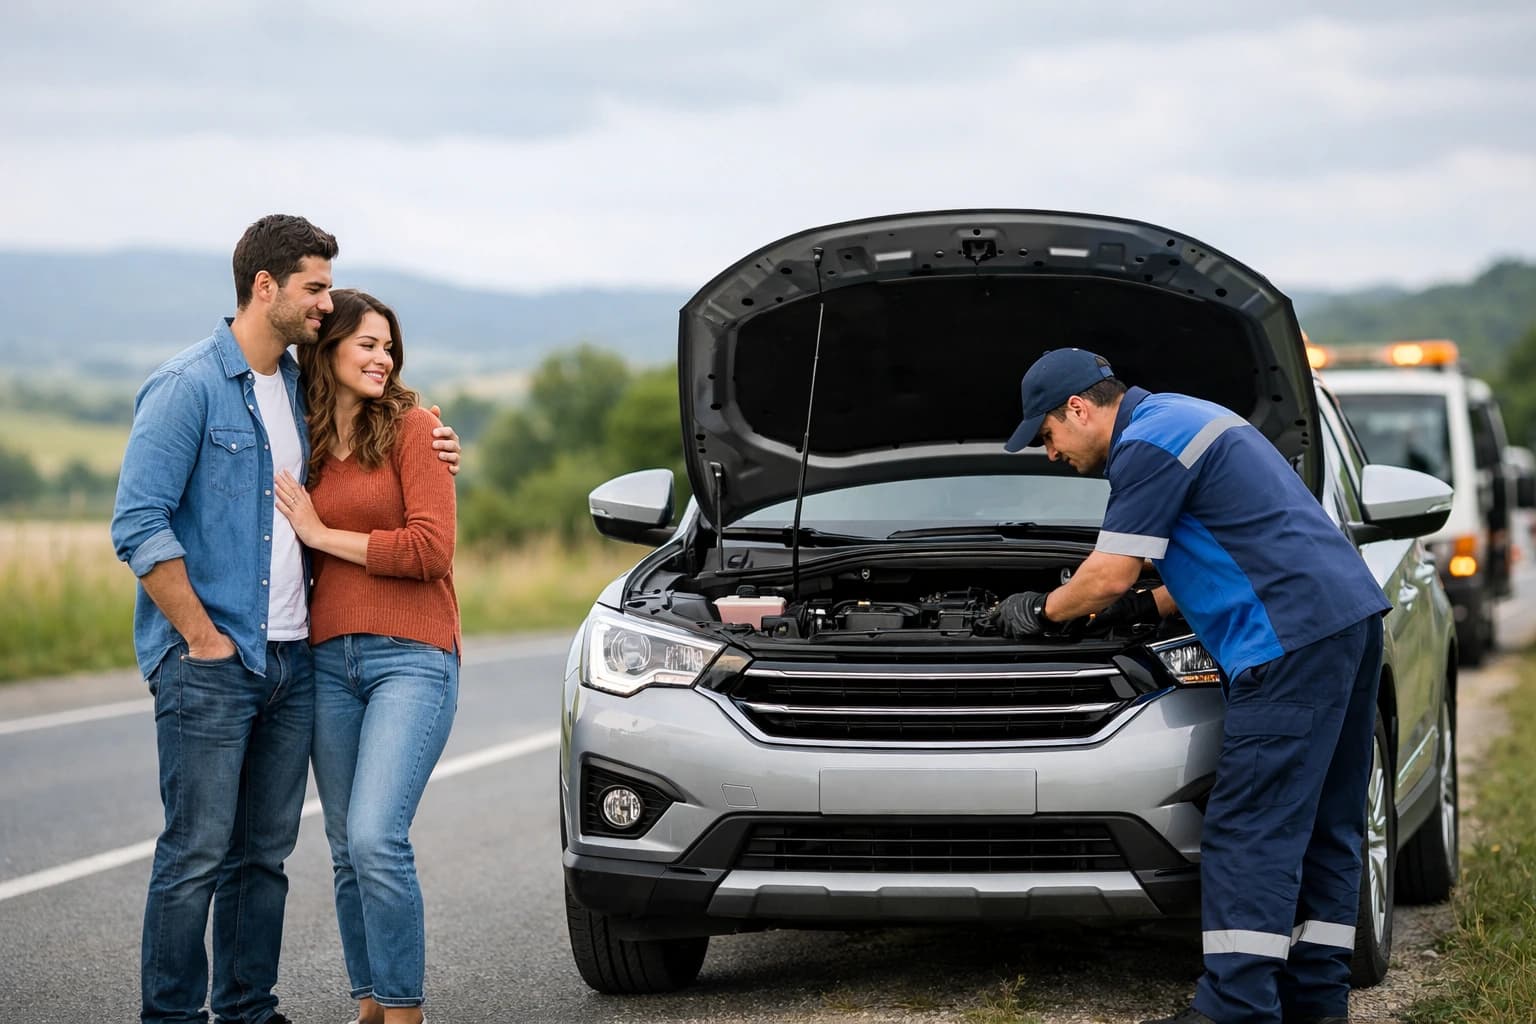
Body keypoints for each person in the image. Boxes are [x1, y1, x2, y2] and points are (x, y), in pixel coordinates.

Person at [111, 216, 460, 1024]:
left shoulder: (297, 401)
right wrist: (200, 638)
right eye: (314, 288)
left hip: (295, 662)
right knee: (197, 854)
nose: (324, 303)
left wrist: (435, 443)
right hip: (214, 659)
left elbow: (398, 493)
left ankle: (248, 1010)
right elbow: (138, 523)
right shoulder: (190, 385)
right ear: (264, 286)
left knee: (265, 857)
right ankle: (171, 1016)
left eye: (328, 289)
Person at [990, 348, 1389, 1024]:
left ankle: (1235, 1009)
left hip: (1286, 639)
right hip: (1345, 621)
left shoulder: (1144, 446)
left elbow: (1108, 573)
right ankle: (1316, 1000)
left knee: (1248, 827)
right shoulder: (1189, 417)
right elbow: (1232, 543)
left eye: (1048, 435)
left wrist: (1041, 611)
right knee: (1326, 822)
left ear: (1079, 409)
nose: (1050, 453)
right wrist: (1143, 609)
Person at [273, 289, 459, 1024]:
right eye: (367, 345)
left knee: (378, 836)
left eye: (389, 346)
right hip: (326, 661)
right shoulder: (302, 437)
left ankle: (406, 1013)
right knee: (346, 847)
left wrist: (323, 536)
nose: (383, 358)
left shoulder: (416, 429)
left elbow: (430, 548)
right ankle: (372, 1004)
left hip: (412, 656)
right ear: (328, 350)